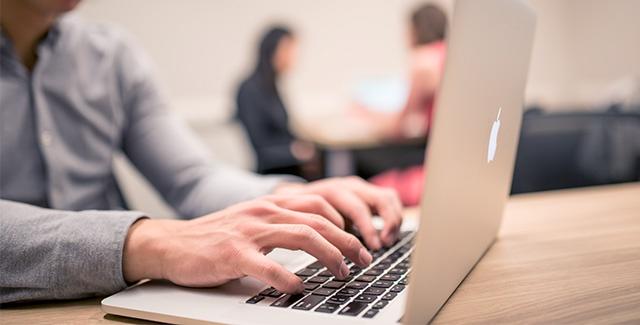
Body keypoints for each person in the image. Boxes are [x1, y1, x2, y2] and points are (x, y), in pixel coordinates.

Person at [0, 0, 402, 304]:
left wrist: (284, 199)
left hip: (118, 299)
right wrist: (149, 243)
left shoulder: (111, 54)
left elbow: (191, 177)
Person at [353, 3, 448, 206]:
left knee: (359, 159)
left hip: (431, 162)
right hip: (454, 155)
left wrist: (368, 117)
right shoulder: (451, 55)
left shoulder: (423, 62)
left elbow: (400, 126)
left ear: (415, 29)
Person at [235, 26, 320, 180]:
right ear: (271, 50)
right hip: (272, 173)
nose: (293, 57)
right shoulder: (249, 89)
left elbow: (284, 130)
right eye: (288, 50)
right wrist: (294, 150)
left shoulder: (272, 86)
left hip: (289, 167)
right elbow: (260, 146)